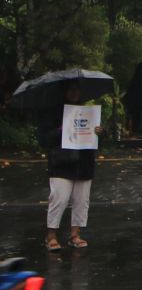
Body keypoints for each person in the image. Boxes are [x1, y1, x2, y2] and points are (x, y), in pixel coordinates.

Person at [37, 80, 102, 251]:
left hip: (84, 161)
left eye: (77, 89)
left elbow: (98, 137)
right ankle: (51, 235)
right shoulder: (53, 113)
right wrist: (61, 130)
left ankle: (75, 234)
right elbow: (44, 139)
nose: (74, 93)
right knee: (59, 198)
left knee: (82, 200)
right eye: (70, 89)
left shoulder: (88, 112)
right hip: (62, 162)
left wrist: (99, 132)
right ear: (64, 92)